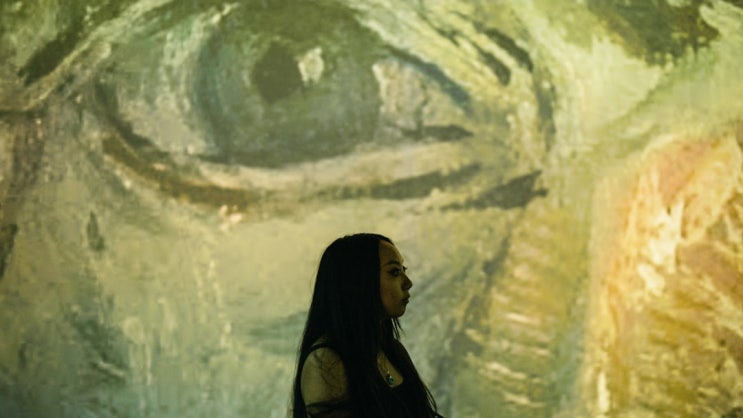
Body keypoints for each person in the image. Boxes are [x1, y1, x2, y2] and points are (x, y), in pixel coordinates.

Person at [291, 233, 444, 417]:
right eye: (394, 272)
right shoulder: (326, 361)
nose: (408, 283)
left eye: (404, 270)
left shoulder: (390, 350)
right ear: (359, 281)